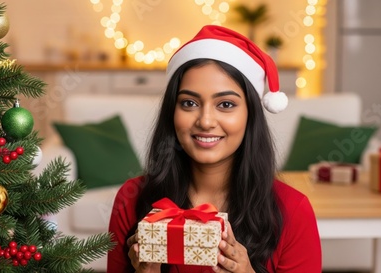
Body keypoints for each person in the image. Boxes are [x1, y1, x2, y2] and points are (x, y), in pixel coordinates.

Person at [107, 25, 321, 273]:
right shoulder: (132, 198)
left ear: (250, 115)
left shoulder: (293, 211)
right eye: (189, 103)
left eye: (226, 104)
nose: (205, 121)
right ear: (172, 112)